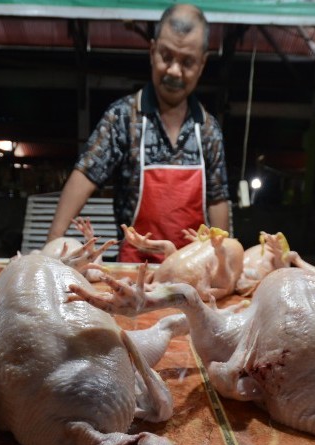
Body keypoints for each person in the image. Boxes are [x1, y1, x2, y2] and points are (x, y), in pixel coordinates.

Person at [46, 3, 231, 263]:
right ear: (152, 51)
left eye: (187, 62)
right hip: (134, 270)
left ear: (202, 64)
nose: (174, 71)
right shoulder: (123, 117)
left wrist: (224, 258)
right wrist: (52, 244)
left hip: (193, 268)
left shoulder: (208, 130)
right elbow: (85, 174)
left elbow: (217, 199)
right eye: (166, 56)